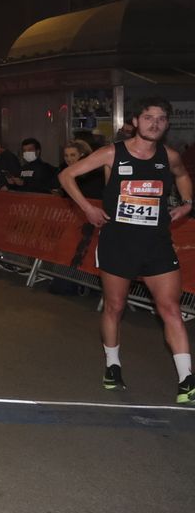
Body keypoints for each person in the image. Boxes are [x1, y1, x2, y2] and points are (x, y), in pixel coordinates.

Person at [58, 98, 193, 402]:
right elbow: (66, 176)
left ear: (167, 124)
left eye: (160, 119)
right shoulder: (111, 153)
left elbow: (183, 175)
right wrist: (87, 210)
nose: (154, 123)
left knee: (171, 309)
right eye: (148, 117)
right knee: (115, 307)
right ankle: (112, 365)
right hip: (118, 243)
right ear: (135, 121)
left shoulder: (168, 156)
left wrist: (187, 204)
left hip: (156, 243)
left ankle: (187, 380)